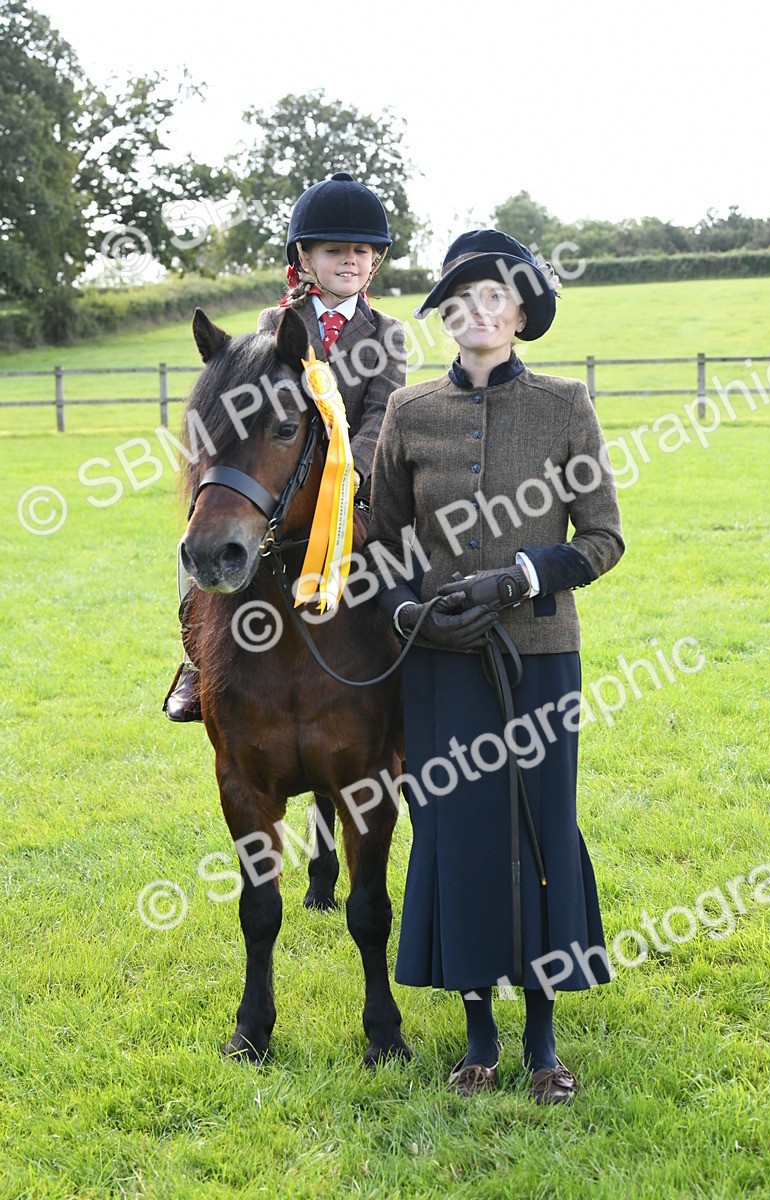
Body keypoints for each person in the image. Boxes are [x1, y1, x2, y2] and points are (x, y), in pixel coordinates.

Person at [366, 229, 625, 1102]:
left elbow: (602, 538)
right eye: (458, 299)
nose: (474, 311)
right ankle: (478, 1038)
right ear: (445, 318)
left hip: (542, 654)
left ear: (520, 314)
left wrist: (517, 576)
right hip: (437, 664)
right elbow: (382, 542)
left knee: (538, 829)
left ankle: (543, 1045)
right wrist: (410, 610)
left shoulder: (563, 404)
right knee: (455, 834)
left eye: (493, 297)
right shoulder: (408, 412)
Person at [164, 172, 407, 720]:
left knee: (406, 553)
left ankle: (412, 664)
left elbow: (382, 410)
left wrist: (353, 475)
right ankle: (199, 664)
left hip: (354, 484)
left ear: (375, 262)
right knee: (196, 546)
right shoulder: (276, 322)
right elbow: (253, 409)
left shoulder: (388, 333)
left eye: (361, 252)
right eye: (334, 250)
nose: (349, 260)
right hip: (280, 475)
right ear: (306, 257)